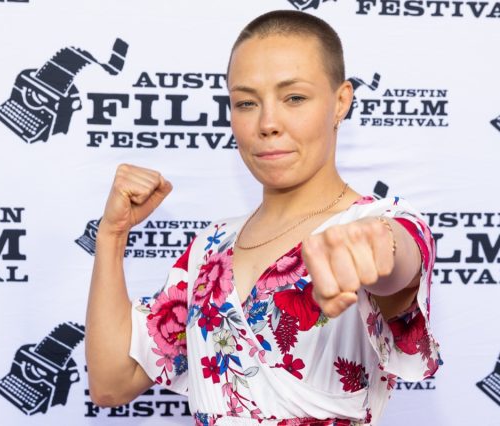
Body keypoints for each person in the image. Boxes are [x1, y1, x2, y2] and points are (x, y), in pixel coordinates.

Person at [85, 10, 441, 426]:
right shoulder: (209, 249)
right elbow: (112, 382)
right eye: (246, 103)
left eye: (294, 98)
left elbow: (395, 260)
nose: (267, 124)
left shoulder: (378, 220)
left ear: (340, 101)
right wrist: (111, 235)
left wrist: (374, 248)